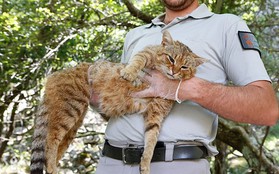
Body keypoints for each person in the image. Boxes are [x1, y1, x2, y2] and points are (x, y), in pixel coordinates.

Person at [94, 0, 279, 173]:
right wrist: (97, 98)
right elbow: (123, 103)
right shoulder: (135, 34)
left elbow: (266, 109)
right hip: (110, 162)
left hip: (176, 164)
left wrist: (181, 88)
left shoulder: (226, 25)